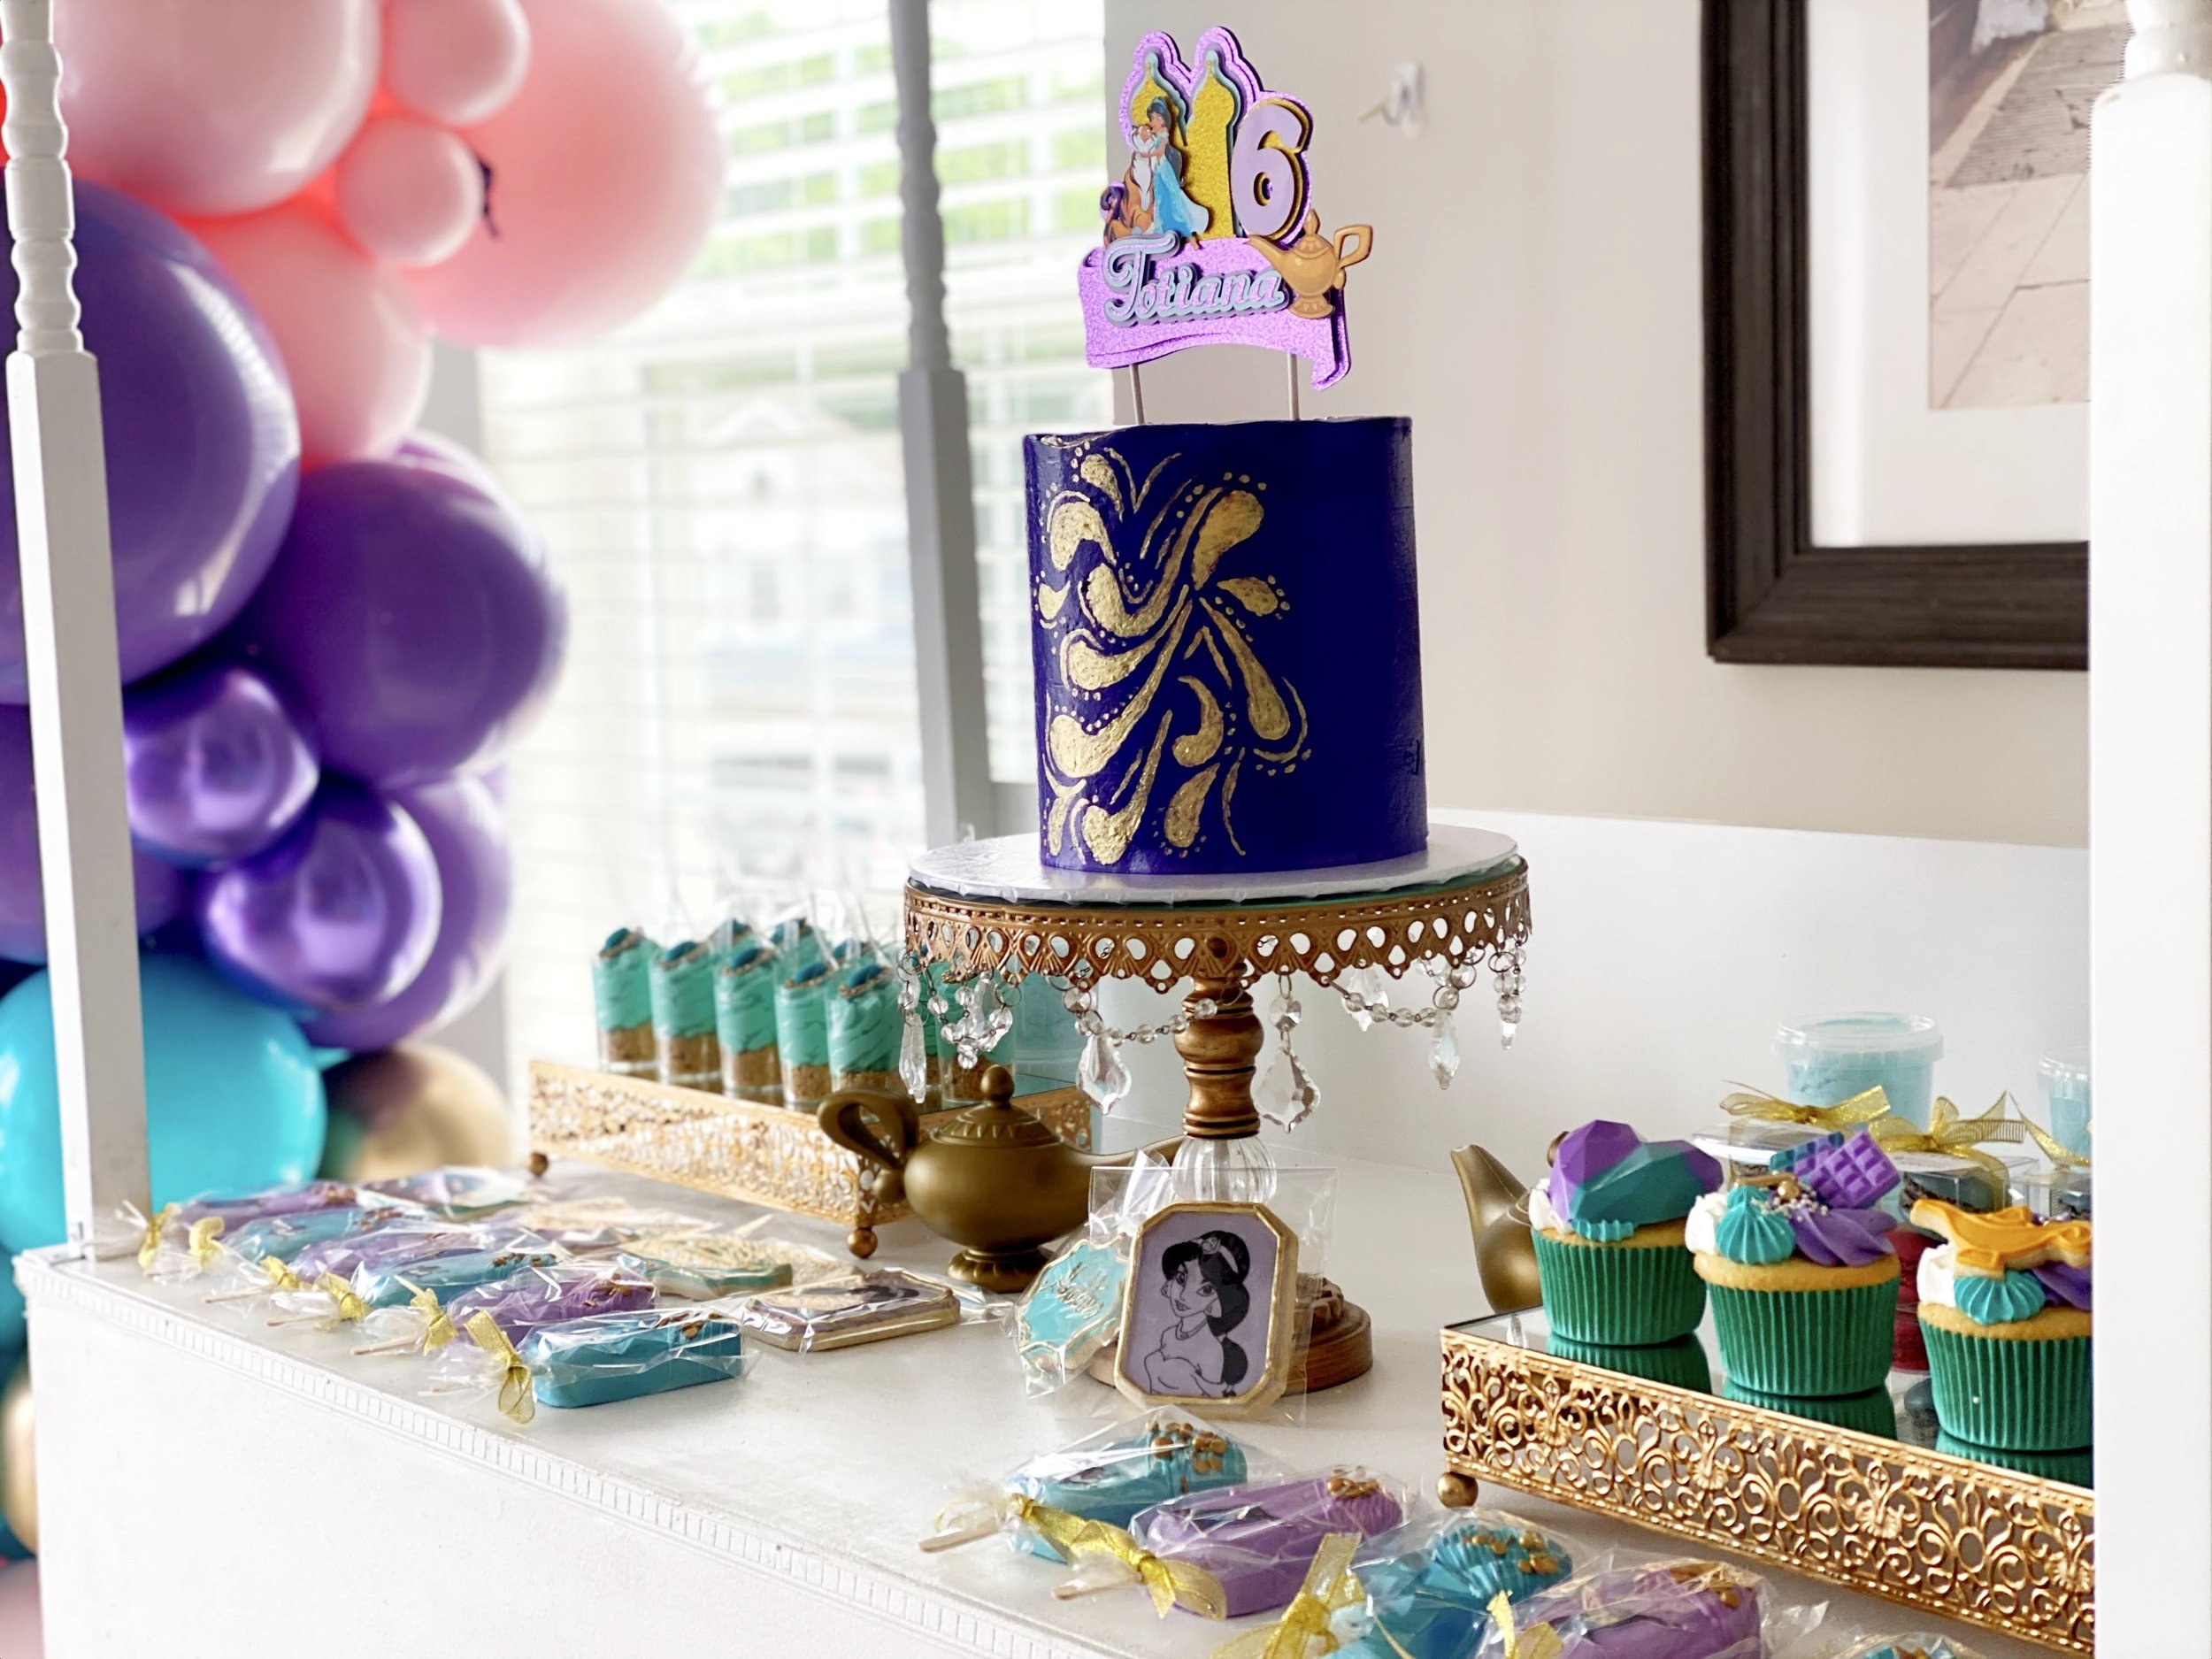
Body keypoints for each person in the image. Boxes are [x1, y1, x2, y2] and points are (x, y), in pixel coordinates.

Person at [1139, 1229, 1252, 1396]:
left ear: (1217, 1302)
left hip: (1195, 1420)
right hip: (1154, 1415)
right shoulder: (1168, 1335)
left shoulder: (1212, 1350)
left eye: (1205, 1289)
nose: (1184, 1295)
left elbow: (1211, 1401)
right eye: (1181, 1279)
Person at [1124, 96, 1208, 242]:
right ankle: (1164, 231)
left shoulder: (1163, 134)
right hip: (1157, 173)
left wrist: (1146, 154)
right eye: (1151, 118)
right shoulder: (1155, 135)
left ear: (1163, 119)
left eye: (1156, 118)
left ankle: (1188, 235)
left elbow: (1160, 151)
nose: (1152, 122)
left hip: (1164, 171)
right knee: (1161, 201)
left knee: (1173, 200)